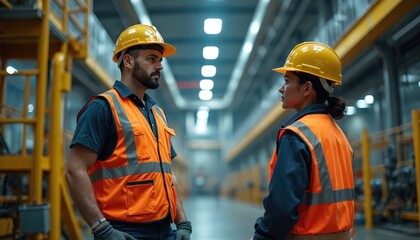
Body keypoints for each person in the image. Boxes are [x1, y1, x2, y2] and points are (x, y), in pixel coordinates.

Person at [65, 24, 192, 240]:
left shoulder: (157, 114)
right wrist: (101, 228)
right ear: (128, 61)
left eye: (160, 60)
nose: (160, 66)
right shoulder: (103, 108)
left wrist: (182, 222)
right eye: (152, 58)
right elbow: (74, 171)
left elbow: (168, 174)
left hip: (165, 228)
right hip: (122, 232)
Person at [252, 42, 355, 239]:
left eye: (287, 81)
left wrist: (262, 236)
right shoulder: (338, 135)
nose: (281, 89)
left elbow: (281, 209)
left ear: (307, 88)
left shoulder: (296, 136)